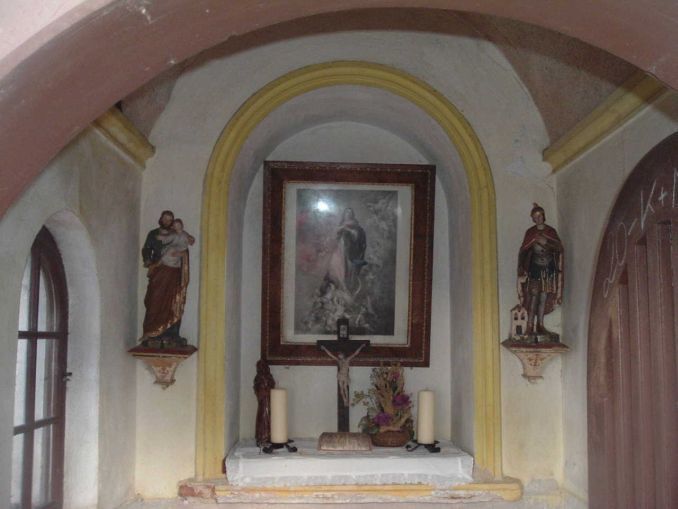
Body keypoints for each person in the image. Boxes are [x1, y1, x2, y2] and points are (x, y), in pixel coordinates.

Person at [141, 211, 194, 343]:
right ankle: (151, 332)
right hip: (158, 272)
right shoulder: (153, 234)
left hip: (173, 272)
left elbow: (185, 247)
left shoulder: (177, 234)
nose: (167, 221)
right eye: (165, 219)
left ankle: (171, 333)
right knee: (154, 299)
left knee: (173, 300)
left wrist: (182, 253)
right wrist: (148, 261)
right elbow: (147, 249)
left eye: (170, 220)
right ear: (161, 219)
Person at [517, 203, 563, 338]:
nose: (538, 219)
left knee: (543, 296)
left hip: (548, 267)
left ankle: (540, 325)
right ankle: (530, 325)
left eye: (540, 216)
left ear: (543, 216)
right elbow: (524, 251)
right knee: (534, 296)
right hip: (535, 268)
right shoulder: (530, 232)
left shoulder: (551, 231)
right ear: (533, 219)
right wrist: (522, 268)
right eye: (535, 217)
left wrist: (546, 242)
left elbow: (559, 248)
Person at [326, 208, 367, 293]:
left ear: (352, 215)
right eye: (346, 212)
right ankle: (337, 288)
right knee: (336, 268)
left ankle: (346, 288)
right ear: (344, 215)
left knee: (348, 270)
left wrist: (348, 230)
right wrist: (340, 229)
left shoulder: (356, 226)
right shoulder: (341, 224)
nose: (348, 214)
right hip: (340, 250)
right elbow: (335, 236)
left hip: (350, 251)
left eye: (350, 213)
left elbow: (357, 237)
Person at [253, 359, 276, 446]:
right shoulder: (258, 378)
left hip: (269, 400)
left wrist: (268, 389)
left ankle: (269, 436)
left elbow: (272, 384)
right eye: (261, 367)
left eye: (264, 366)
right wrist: (263, 391)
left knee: (269, 417)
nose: (263, 368)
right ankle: (261, 437)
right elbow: (257, 389)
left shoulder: (269, 377)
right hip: (263, 402)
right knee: (262, 418)